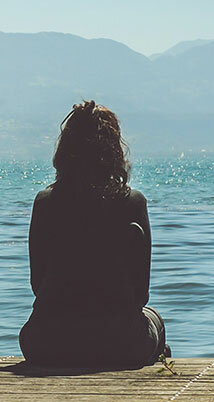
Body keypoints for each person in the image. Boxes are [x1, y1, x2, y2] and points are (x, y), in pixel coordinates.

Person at [19, 100, 169, 367]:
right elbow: (141, 295)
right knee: (154, 317)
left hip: (47, 342)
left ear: (65, 150)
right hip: (121, 343)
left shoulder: (45, 203)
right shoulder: (132, 202)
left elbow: (37, 285)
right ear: (114, 151)